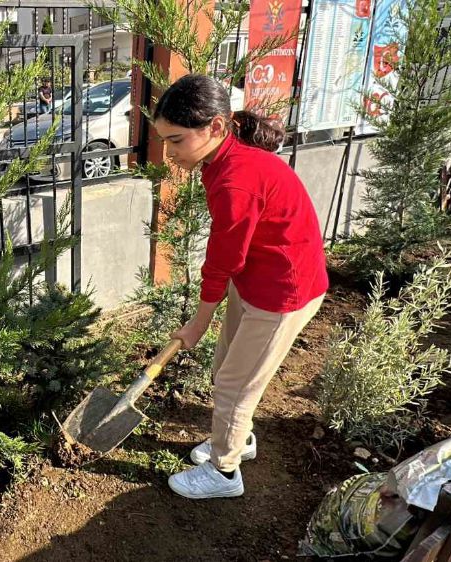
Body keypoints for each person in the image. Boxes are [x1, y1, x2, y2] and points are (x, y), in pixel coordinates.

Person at [151, 74, 328, 500]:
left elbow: (223, 259)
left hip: (283, 292)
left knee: (235, 384)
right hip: (254, 279)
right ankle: (238, 440)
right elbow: (234, 257)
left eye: (175, 141)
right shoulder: (221, 162)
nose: (169, 154)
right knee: (227, 364)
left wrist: (197, 322)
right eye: (164, 141)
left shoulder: (236, 179)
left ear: (215, 126)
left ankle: (224, 473)